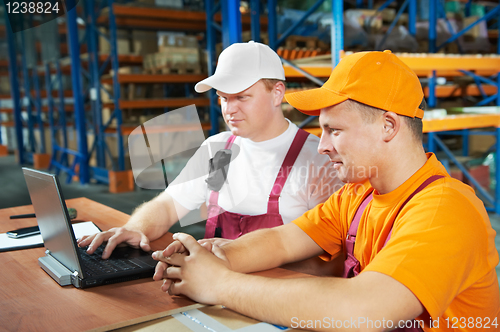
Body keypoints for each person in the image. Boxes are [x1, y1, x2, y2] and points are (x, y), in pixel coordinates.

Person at [153, 50, 500, 331]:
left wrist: (220, 285)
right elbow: (283, 240)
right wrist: (215, 256)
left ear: (388, 126)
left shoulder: (444, 210)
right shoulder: (359, 195)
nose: (322, 146)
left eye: (334, 130)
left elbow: (363, 311)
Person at [78, 41, 342, 276]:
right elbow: (169, 204)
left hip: (279, 296)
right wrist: (137, 229)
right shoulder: (217, 149)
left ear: (277, 93)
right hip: (211, 286)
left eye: (242, 97)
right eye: (223, 98)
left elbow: (332, 262)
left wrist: (235, 264)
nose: (230, 109)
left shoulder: (318, 159)